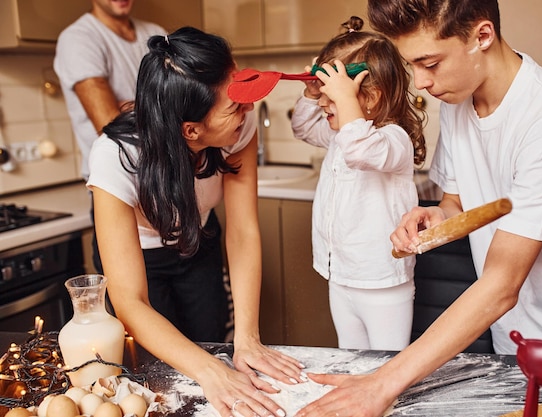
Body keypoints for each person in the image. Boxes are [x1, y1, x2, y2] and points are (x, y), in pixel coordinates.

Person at [292, 1, 542, 416]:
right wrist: (435, 219)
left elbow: (503, 282)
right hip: (518, 342)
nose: (419, 82)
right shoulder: (457, 101)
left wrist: (382, 383)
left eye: (429, 62)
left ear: (481, 37)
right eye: (412, 64)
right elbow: (457, 203)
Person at [87, 27, 306, 417]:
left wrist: (248, 339)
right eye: (233, 107)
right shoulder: (115, 156)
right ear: (191, 130)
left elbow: (242, 231)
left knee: (213, 344)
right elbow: (129, 300)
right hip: (143, 260)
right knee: (159, 376)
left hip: (199, 244)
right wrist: (210, 373)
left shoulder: (238, 126)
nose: (246, 111)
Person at [289, 16, 426, 351]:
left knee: (385, 364)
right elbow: (303, 128)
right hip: (342, 277)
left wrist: (345, 101)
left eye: (332, 96)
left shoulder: (392, 140)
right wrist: (312, 93)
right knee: (351, 361)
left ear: (371, 97)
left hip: (382, 283)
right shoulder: (341, 136)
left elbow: (361, 150)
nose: (323, 104)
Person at [54, 0, 166, 274]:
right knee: (140, 307)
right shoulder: (79, 39)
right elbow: (110, 123)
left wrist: (132, 105)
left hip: (172, 182)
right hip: (123, 191)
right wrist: (166, 107)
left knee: (208, 313)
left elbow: (188, 101)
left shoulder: (156, 33)